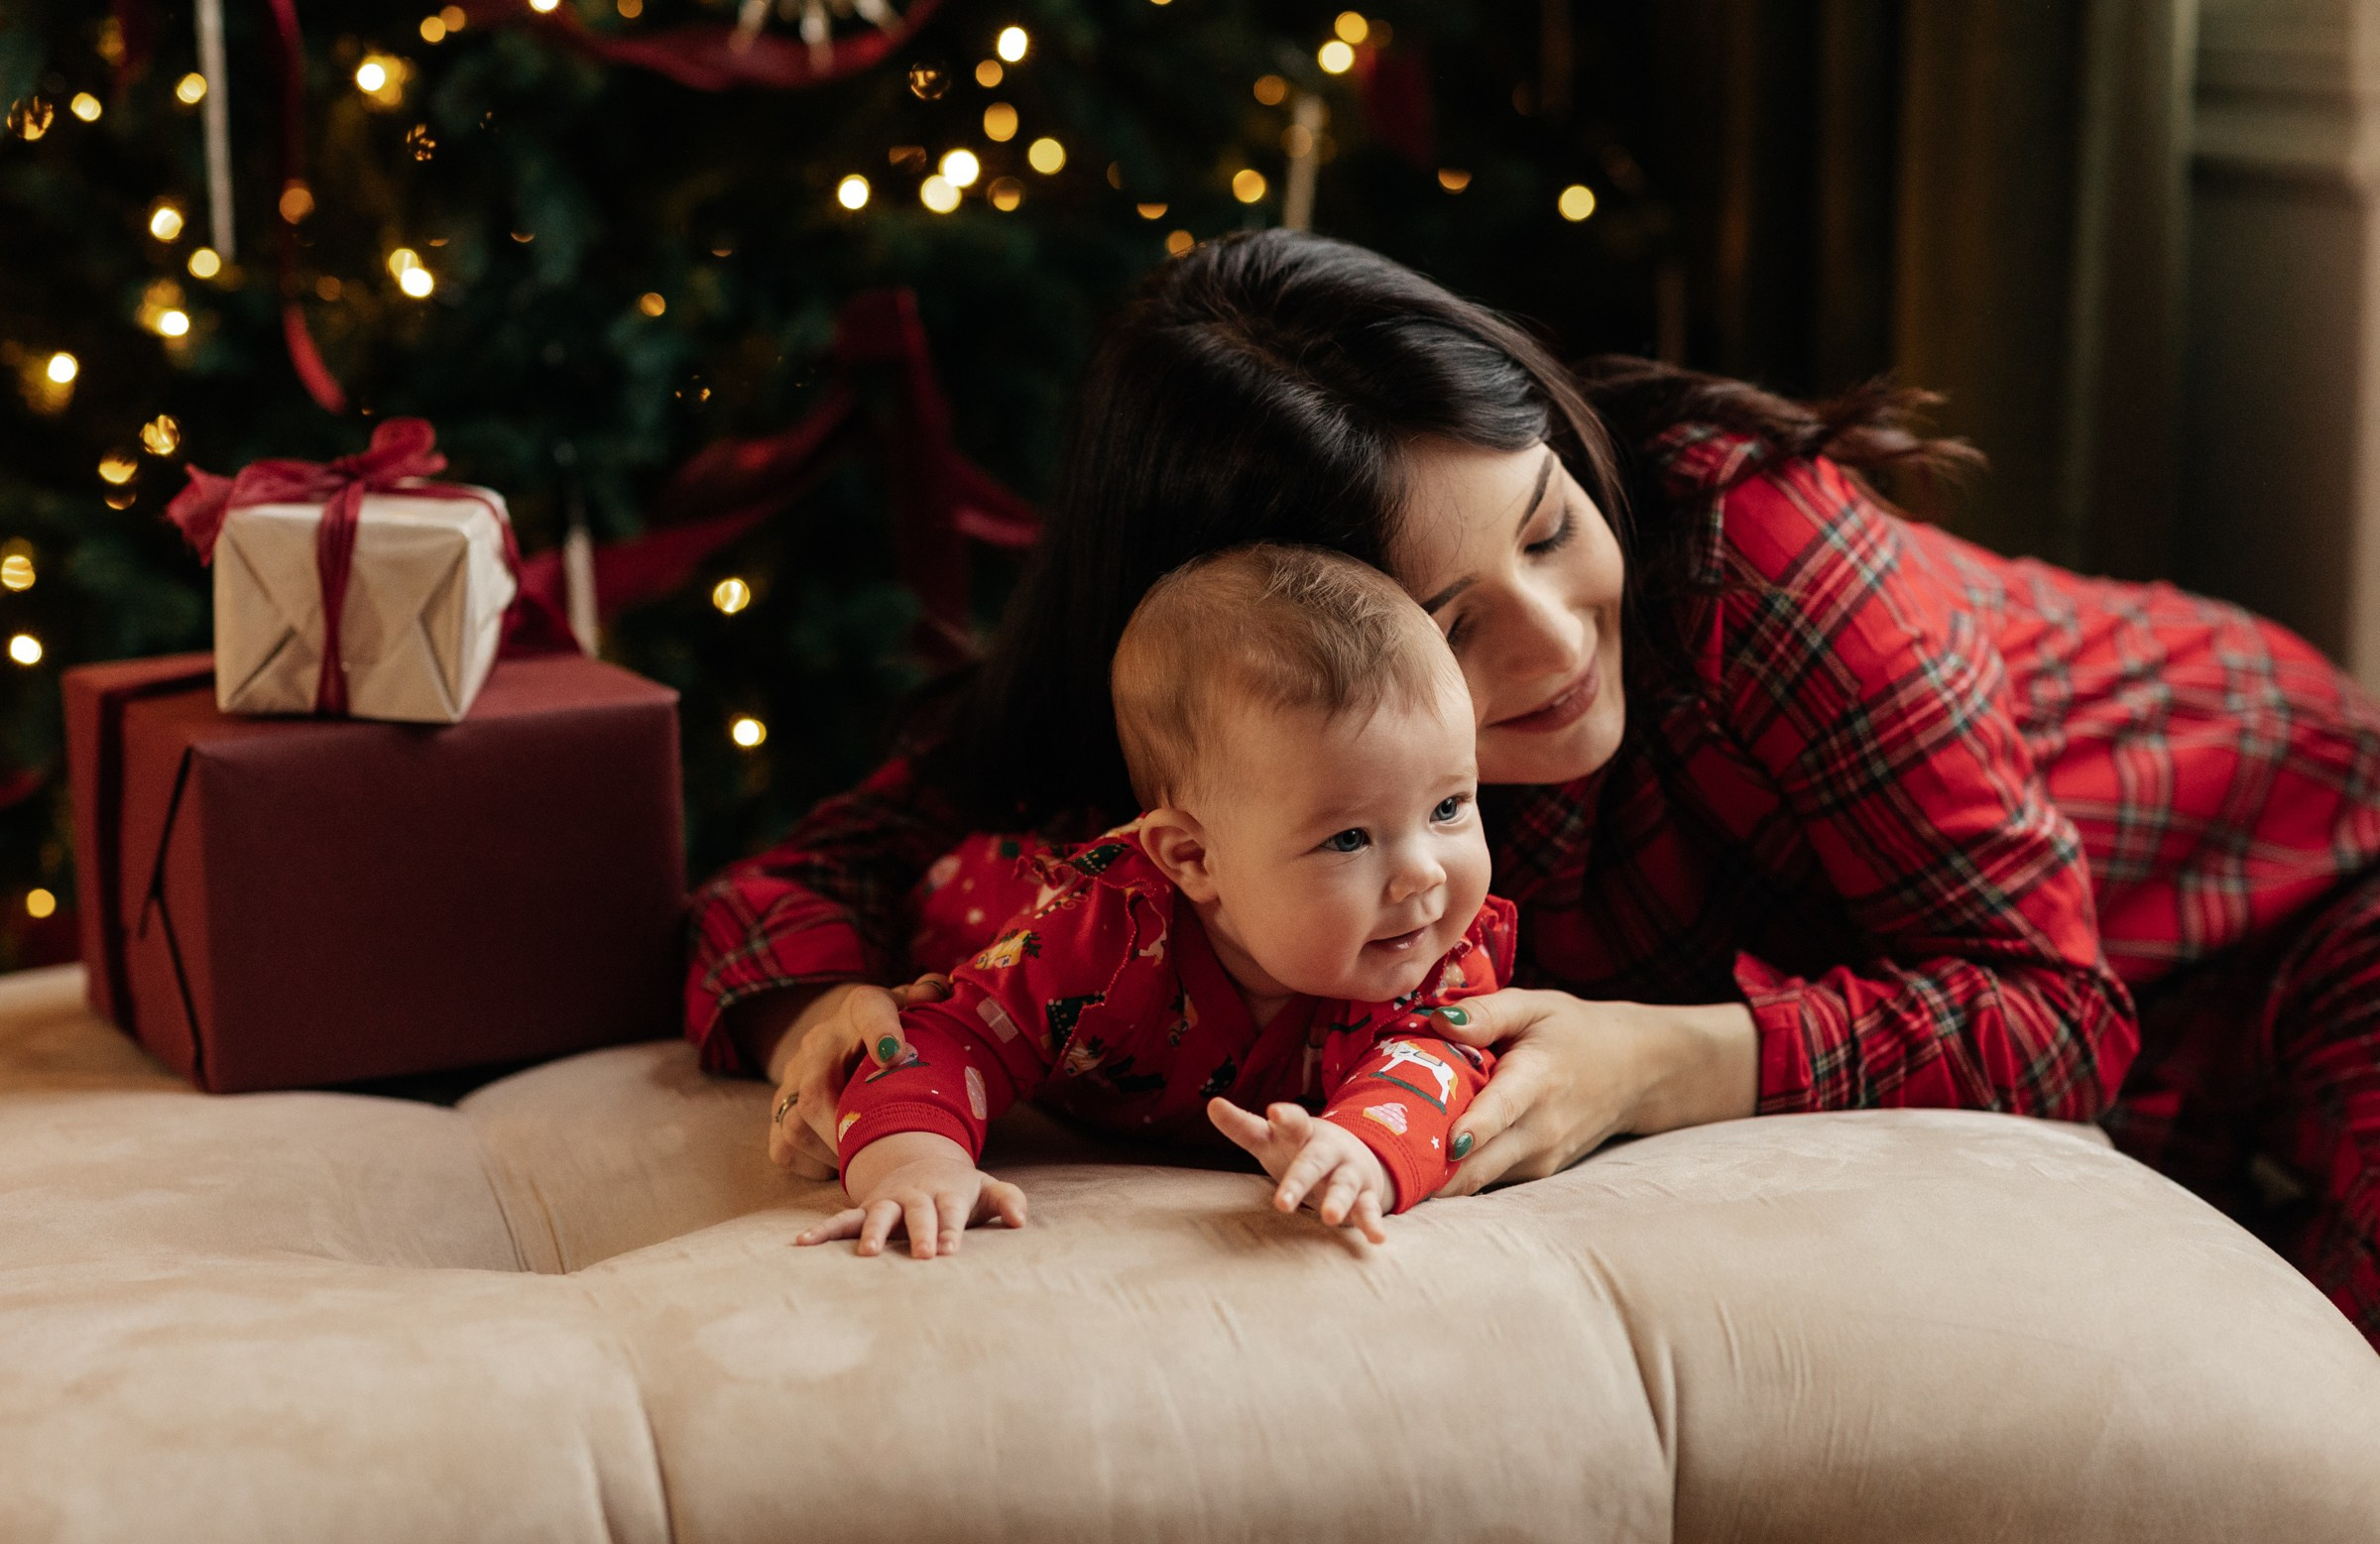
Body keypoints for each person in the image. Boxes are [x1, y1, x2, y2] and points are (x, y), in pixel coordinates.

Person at [692, 229, 2380, 1347]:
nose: (1565, 637)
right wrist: (824, 1022)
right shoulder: (1224, 719)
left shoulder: (1757, 553)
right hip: (2137, 1105)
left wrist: (1665, 1059)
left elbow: (2055, 1015)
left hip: (2302, 872)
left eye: (1552, 522)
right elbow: (806, 880)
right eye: (1449, 623)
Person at [796, 544, 1514, 1257]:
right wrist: (917, 1164)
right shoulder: (1099, 936)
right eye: (1350, 838)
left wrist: (1361, 1154)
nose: (1423, 875)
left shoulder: (1438, 957)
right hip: (980, 896)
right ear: (1194, 859)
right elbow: (948, 1037)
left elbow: (1434, 1072)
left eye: (1449, 806)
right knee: (961, 909)